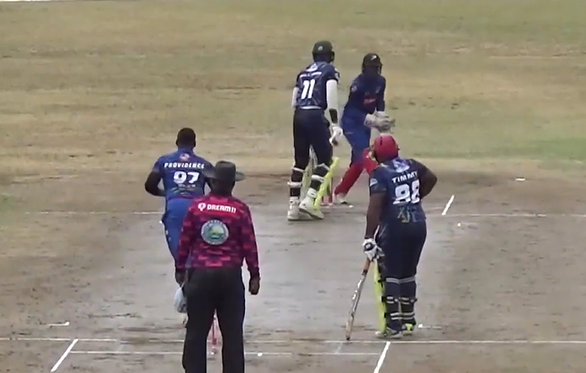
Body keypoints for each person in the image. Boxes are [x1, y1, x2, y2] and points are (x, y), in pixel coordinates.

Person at [175, 160, 260, 373]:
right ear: (232, 184)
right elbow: (249, 243)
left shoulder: (197, 207)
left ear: (212, 182)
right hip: (229, 276)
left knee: (196, 332)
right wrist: (254, 274)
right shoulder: (240, 210)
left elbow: (185, 240)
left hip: (201, 274)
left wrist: (180, 269)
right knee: (232, 334)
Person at [362, 134, 437, 339]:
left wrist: (369, 237)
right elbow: (431, 178)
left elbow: (375, 207)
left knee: (391, 274)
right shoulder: (411, 165)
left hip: (395, 227)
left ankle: (393, 325)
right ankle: (408, 320)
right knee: (408, 272)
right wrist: (415, 198)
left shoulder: (379, 174)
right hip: (418, 225)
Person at [287, 40, 343, 221]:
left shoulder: (303, 72)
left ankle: (293, 206)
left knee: (300, 161)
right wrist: (334, 122)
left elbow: (294, 101)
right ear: (331, 56)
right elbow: (331, 94)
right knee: (324, 159)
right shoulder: (329, 71)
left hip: (299, 115)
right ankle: (310, 199)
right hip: (315, 114)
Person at [144, 127, 213, 266]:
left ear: (177, 142)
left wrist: (167, 193)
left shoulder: (164, 161)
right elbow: (217, 187)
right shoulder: (204, 164)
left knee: (179, 253)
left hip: (175, 206)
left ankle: (185, 283)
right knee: (198, 251)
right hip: (198, 207)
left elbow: (149, 185)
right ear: (194, 144)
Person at [334, 53, 394, 205]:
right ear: (364, 68)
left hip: (365, 125)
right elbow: (353, 109)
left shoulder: (381, 82)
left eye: (376, 68)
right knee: (365, 155)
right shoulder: (358, 85)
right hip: (351, 122)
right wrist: (372, 120)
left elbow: (379, 101)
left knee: (359, 161)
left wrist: (382, 117)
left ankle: (340, 192)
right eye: (371, 69)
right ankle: (384, 189)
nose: (374, 72)